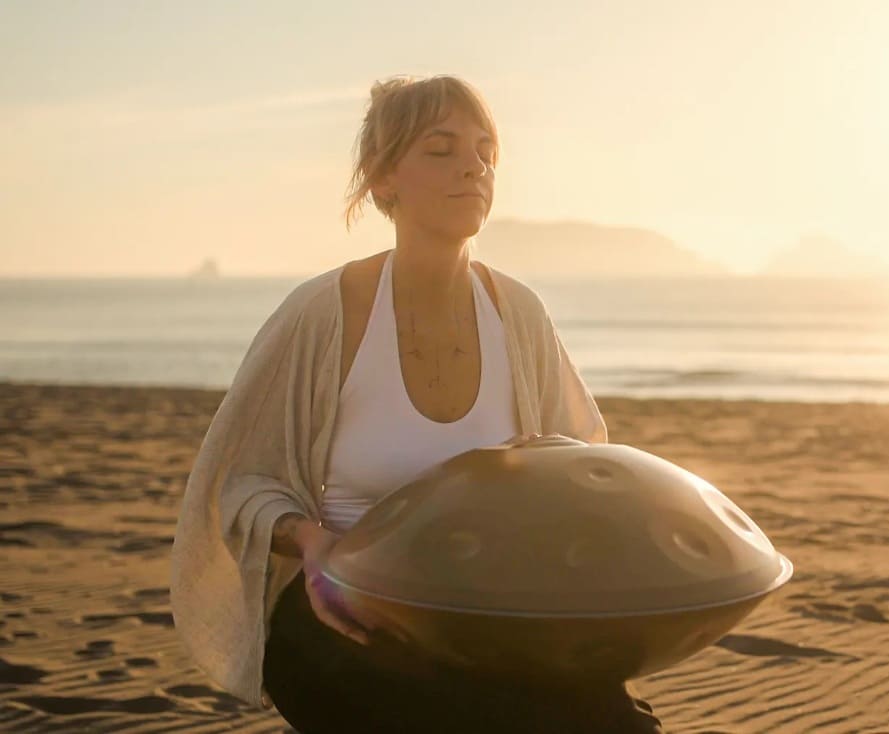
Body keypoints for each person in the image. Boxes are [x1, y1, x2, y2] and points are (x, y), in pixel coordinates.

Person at [169, 74, 664, 733]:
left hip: (490, 616)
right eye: (441, 149)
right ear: (382, 180)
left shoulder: (516, 313)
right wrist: (312, 542)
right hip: (348, 612)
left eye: (486, 150)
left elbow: (580, 460)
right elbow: (241, 480)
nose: (474, 166)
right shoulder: (324, 314)